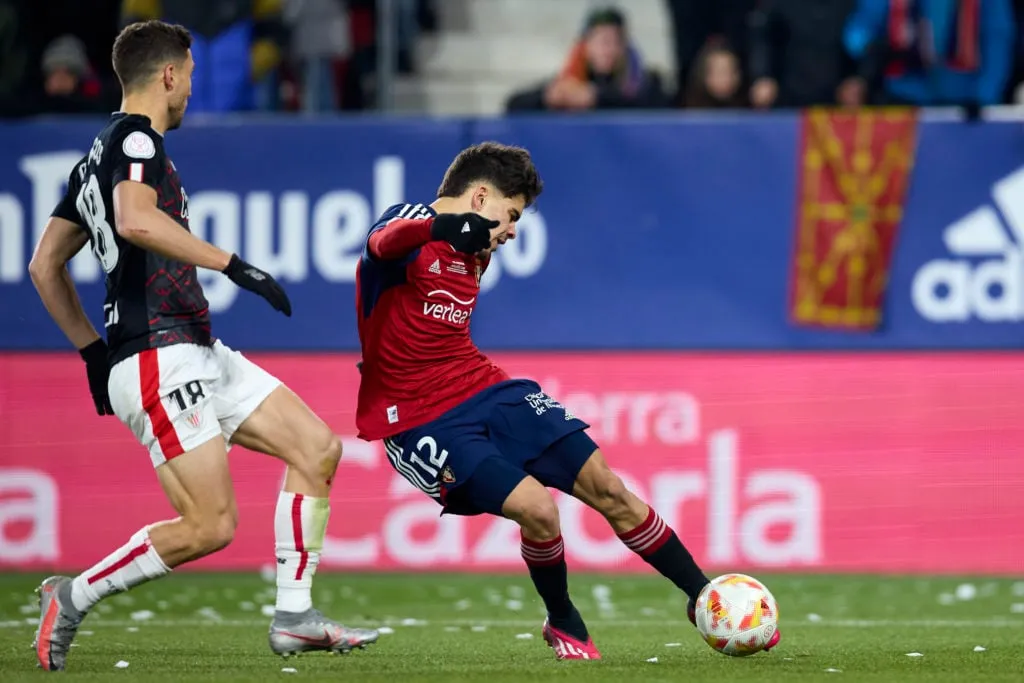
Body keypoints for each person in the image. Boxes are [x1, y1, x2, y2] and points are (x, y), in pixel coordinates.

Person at [28, 20, 377, 672]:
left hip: (190, 346)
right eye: (188, 75)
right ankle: (71, 595)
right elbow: (135, 218)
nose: (191, 87)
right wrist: (232, 263)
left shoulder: (90, 161)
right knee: (210, 525)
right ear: (167, 75)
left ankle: (295, 616)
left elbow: (44, 265)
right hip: (161, 353)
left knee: (316, 447)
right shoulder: (135, 137)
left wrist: (90, 352)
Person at [353, 142, 783, 660]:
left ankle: (704, 596)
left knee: (610, 488)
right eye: (511, 215)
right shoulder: (411, 220)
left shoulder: (478, 252)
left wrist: (466, 238)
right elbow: (381, 244)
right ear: (481, 195)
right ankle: (564, 621)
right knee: (538, 509)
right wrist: (441, 228)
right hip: (418, 414)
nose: (512, 229)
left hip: (482, 385)